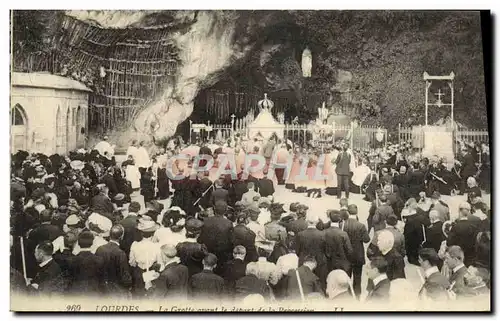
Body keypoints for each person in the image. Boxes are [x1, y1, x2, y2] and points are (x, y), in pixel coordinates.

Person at [340, 204, 370, 298]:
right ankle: (357, 296)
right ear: (356, 212)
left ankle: (347, 295)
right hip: (358, 255)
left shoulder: (342, 225)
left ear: (348, 212)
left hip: (346, 255)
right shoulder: (361, 226)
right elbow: (366, 239)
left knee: (346, 277)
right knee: (357, 277)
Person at [95, 225, 132, 297]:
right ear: (121, 237)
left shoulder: (100, 249)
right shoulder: (120, 253)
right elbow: (124, 275)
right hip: (116, 291)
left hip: (101, 288)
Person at [198, 200, 234, 272]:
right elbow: (230, 241)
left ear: (214, 209)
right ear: (225, 210)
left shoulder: (206, 221)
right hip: (222, 254)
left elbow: (200, 238)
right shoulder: (229, 223)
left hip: (207, 252)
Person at [295, 214, 328, 290]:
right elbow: (326, 250)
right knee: (319, 283)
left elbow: (297, 251)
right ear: (316, 222)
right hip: (319, 261)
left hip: (304, 261)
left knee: (304, 283)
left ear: (307, 221)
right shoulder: (322, 234)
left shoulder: (300, 234)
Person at [67, 231, 105, 296]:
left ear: (78, 243)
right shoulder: (99, 260)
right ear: (92, 243)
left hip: (75, 293)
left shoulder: (71, 260)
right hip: (93, 293)